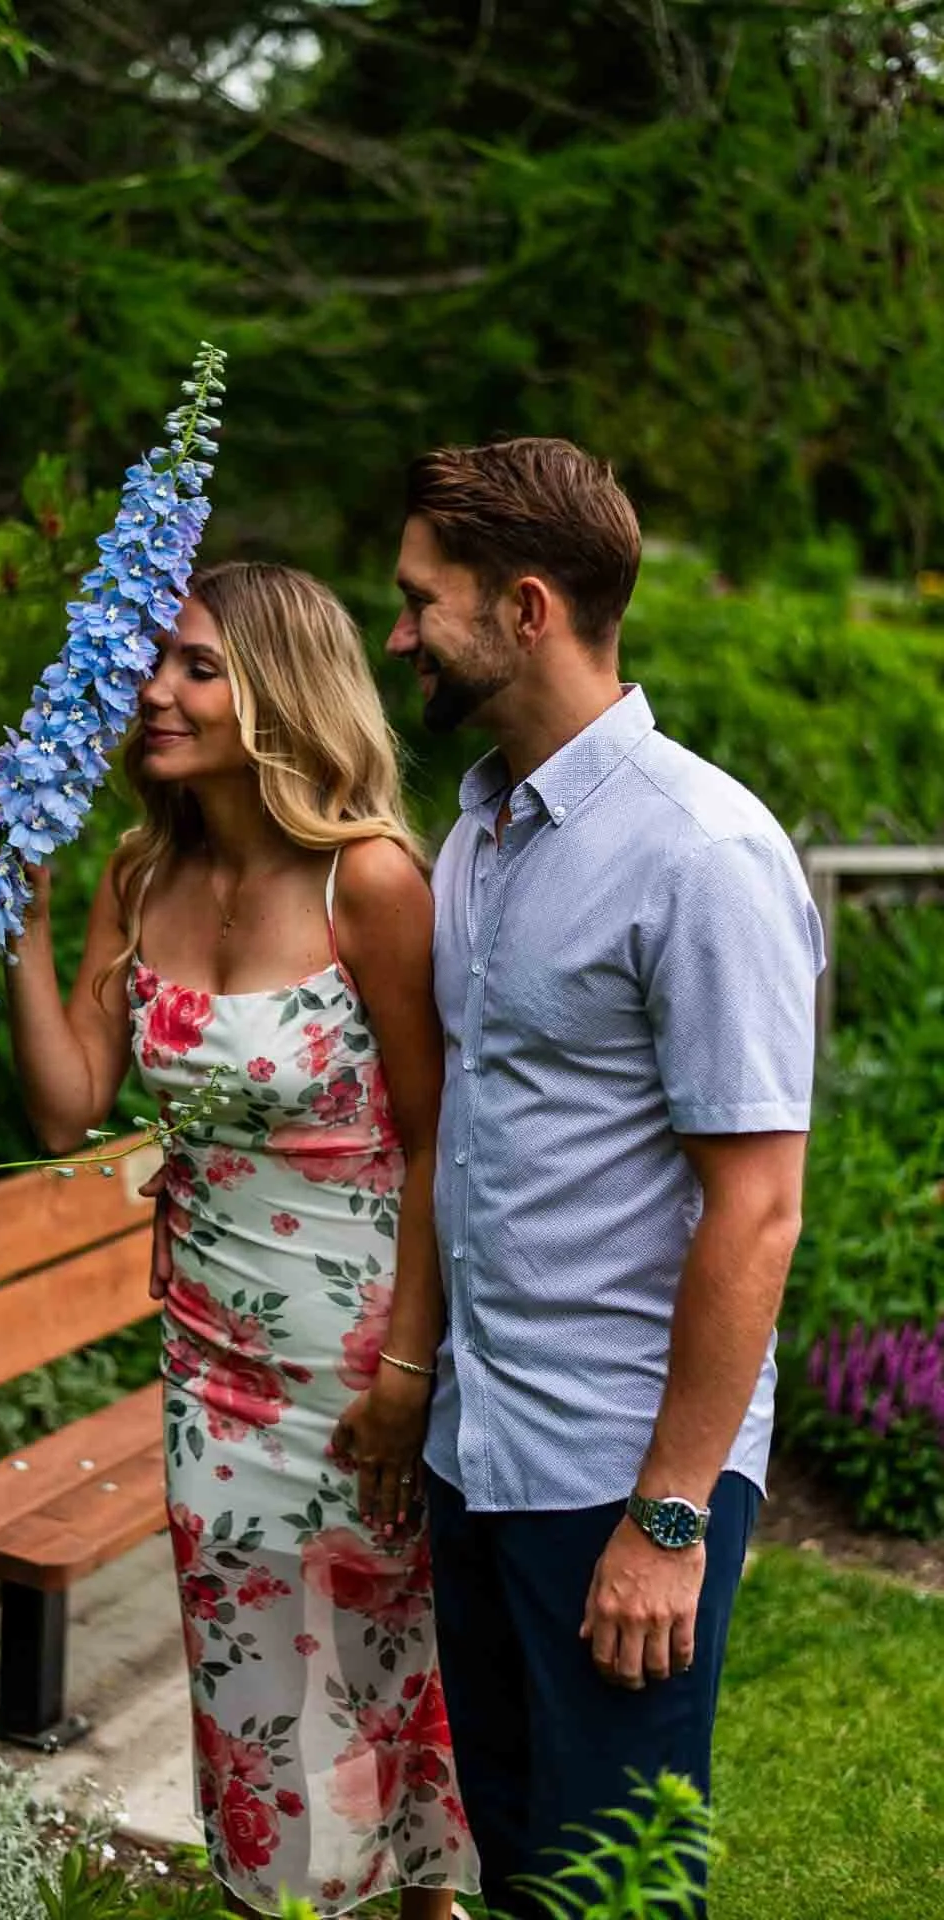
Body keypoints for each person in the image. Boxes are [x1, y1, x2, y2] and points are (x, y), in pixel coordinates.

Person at [0, 562, 478, 1919]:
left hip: (365, 1357)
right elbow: (71, 1100)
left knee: (386, 1674)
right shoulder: (141, 873)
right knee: (250, 1697)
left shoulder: (368, 884)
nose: (155, 692)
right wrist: (18, 923)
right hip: (209, 1359)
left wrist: (409, 1373)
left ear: (278, 688)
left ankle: (425, 1905)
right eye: (157, 665)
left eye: (197, 666)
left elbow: (439, 1139)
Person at [385, 438, 824, 1918]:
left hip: (617, 1477)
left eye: (417, 601)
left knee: (615, 1892)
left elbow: (758, 1207)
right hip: (480, 1449)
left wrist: (672, 1516)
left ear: (524, 610)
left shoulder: (701, 854)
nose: (397, 636)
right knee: (519, 1865)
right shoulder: (481, 834)